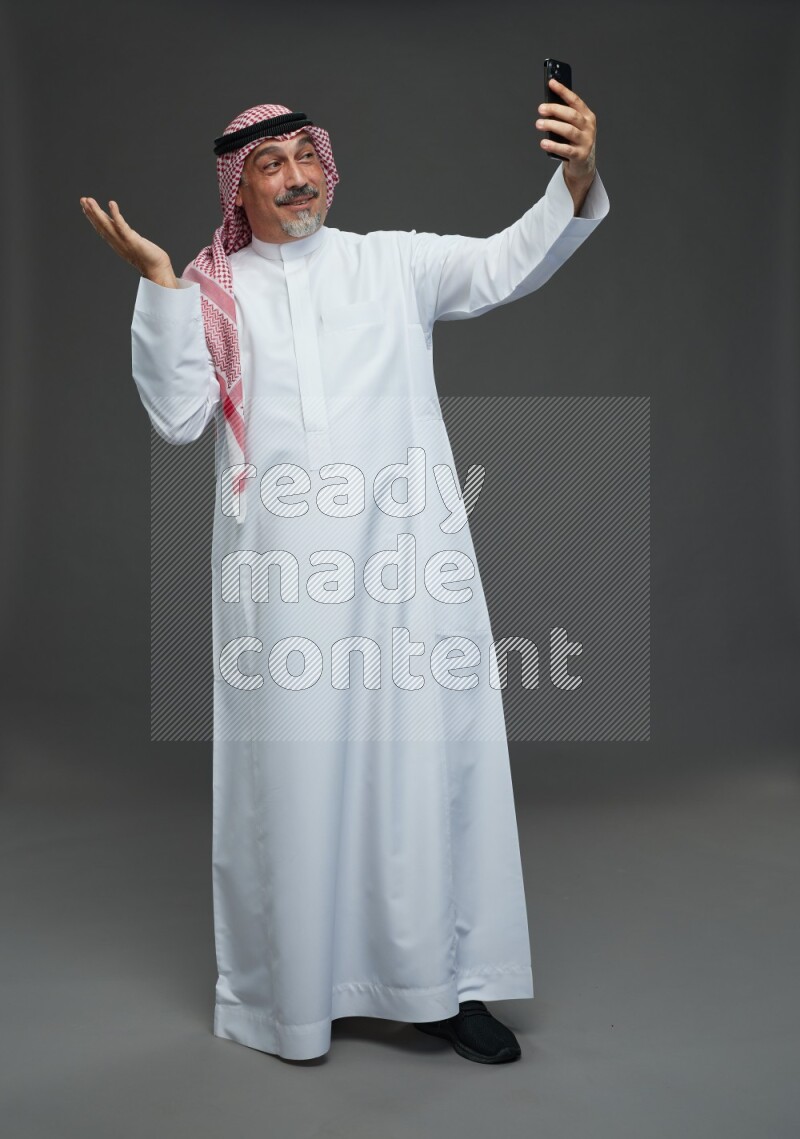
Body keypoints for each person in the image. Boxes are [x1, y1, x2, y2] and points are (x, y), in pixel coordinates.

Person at [80, 80, 609, 1065]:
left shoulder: (391, 264)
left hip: (408, 570)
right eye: (267, 165)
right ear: (237, 191)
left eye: (303, 158)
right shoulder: (210, 292)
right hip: (284, 590)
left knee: (420, 771)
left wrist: (573, 176)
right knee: (296, 778)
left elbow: (505, 263)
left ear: (327, 166)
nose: (292, 178)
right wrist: (158, 283)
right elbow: (178, 415)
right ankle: (295, 998)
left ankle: (442, 987)